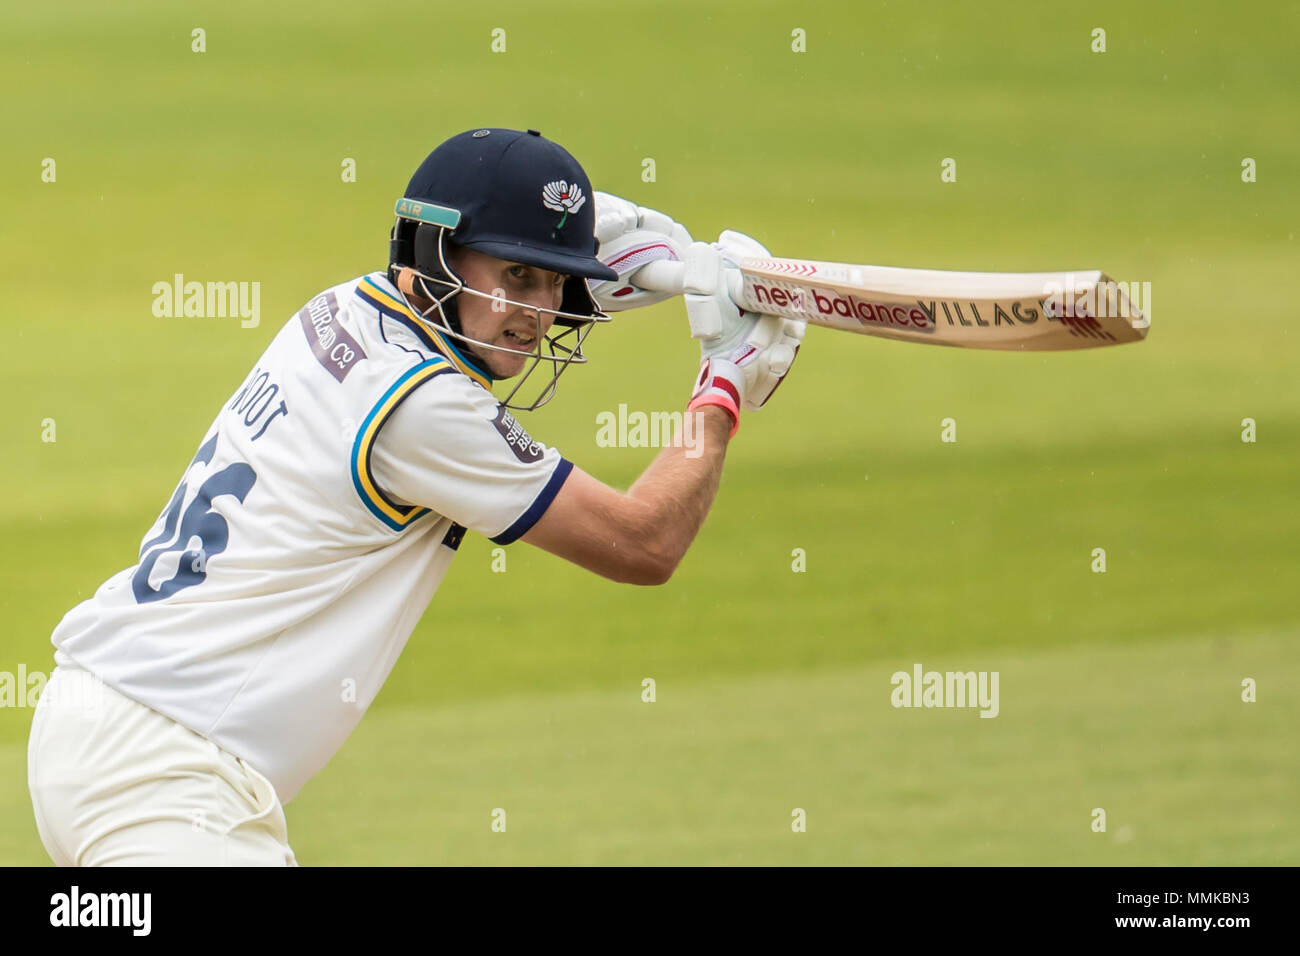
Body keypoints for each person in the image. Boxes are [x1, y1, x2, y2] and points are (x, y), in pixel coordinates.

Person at [26, 127, 805, 866]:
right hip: (168, 780)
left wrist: (619, 270)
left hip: (94, 724)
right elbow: (643, 545)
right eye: (516, 276)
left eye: (555, 282)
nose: (535, 315)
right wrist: (723, 382)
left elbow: (482, 311)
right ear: (438, 254)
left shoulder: (342, 309)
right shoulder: (423, 409)